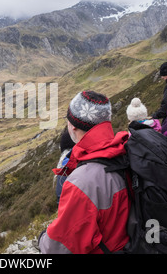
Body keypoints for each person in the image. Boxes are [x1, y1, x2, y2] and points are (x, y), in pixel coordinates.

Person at [39, 90, 130, 254]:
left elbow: (57, 248)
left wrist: (42, 239)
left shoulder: (82, 182)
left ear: (72, 126)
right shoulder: (124, 150)